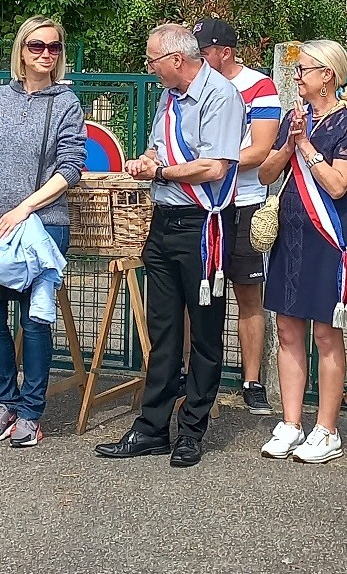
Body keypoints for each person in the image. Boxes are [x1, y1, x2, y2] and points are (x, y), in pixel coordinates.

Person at [95, 24, 245, 467]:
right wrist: (147, 160)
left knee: (203, 332)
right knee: (163, 332)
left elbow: (214, 167)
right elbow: (163, 149)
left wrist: (159, 174)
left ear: (177, 59)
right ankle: (151, 428)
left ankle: (192, 431)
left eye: (152, 60)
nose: (150, 68)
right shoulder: (169, 96)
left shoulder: (221, 96)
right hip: (163, 221)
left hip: (204, 225)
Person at [0, 15, 87, 448]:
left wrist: (25, 208)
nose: (46, 55)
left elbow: (71, 167)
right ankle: (6, 402)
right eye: (37, 46)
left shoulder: (66, 103)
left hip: (42, 226)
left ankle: (31, 413)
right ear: (21, 50)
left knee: (36, 321)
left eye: (54, 47)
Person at [258, 40, 347, 463]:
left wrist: (305, 147)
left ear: (328, 76)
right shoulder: (292, 118)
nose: (296, 76)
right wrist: (289, 143)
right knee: (287, 331)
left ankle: (326, 429)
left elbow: (338, 185)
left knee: (324, 333)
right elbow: (267, 171)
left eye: (303, 69)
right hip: (290, 236)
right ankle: (290, 422)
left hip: (328, 238)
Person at [194, 17, 281, 415]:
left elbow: (261, 149)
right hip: (200, 200)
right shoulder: (191, 88)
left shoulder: (259, 87)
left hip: (244, 200)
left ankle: (252, 381)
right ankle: (191, 374)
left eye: (202, 51)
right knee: (195, 292)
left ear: (224, 52)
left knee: (248, 293)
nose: (197, 58)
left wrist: (213, 164)